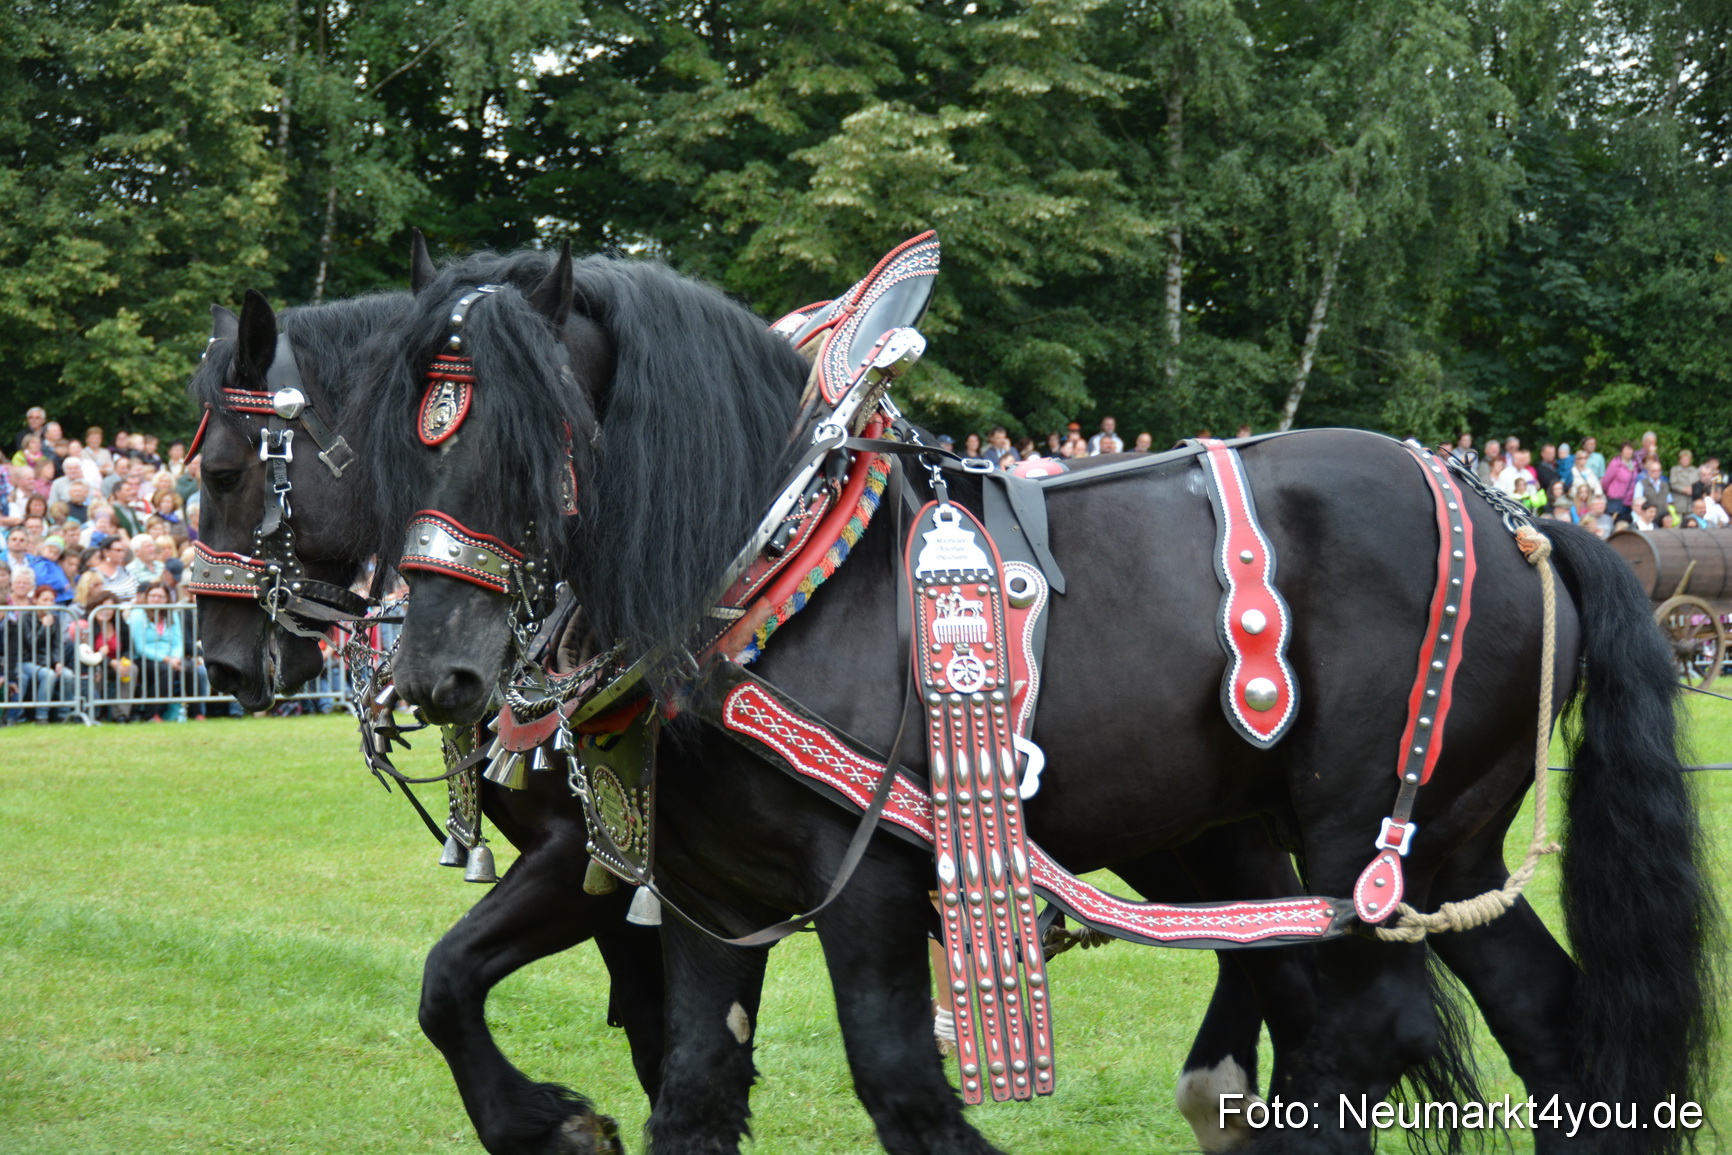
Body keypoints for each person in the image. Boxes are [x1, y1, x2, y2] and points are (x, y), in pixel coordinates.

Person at [126, 582, 185, 720]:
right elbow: (140, 648)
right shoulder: (138, 615)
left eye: (161, 596)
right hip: (144, 658)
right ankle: (152, 714)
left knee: (190, 669)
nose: (156, 599)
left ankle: (194, 713)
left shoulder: (171, 614)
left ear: (167, 599)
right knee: (166, 670)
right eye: (152, 596)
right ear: (146, 597)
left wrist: (176, 658)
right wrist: (167, 659)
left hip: (171, 658)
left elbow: (178, 642)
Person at [1602, 441, 1640, 517]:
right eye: (1626, 449)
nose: (1629, 452)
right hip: (1616, 501)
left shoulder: (1635, 465)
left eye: (1630, 449)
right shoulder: (1615, 464)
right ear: (1621, 451)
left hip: (1629, 502)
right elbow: (1605, 481)